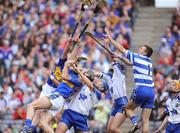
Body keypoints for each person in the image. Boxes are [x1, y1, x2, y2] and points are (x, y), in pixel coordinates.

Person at [21, 38, 90, 133]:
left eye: (77, 63)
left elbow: (65, 75)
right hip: (55, 96)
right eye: (76, 62)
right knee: (42, 123)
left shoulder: (74, 77)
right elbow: (66, 56)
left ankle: (27, 129)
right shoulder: (65, 67)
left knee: (32, 106)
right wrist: (70, 45)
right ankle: (29, 129)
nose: (76, 64)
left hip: (56, 96)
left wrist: (77, 46)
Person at [105, 27, 154, 133]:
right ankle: (138, 125)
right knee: (146, 121)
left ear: (145, 53)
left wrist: (110, 39)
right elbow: (131, 63)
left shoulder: (138, 57)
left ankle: (135, 123)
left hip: (141, 89)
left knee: (128, 109)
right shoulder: (148, 61)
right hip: (151, 91)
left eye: (141, 49)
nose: (139, 49)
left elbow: (122, 49)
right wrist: (121, 58)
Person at [55, 64, 105, 133]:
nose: (99, 82)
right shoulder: (82, 84)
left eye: (101, 84)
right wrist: (76, 68)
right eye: (99, 81)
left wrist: (79, 72)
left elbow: (90, 84)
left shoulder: (97, 94)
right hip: (70, 112)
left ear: (103, 90)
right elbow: (66, 78)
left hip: (81, 117)